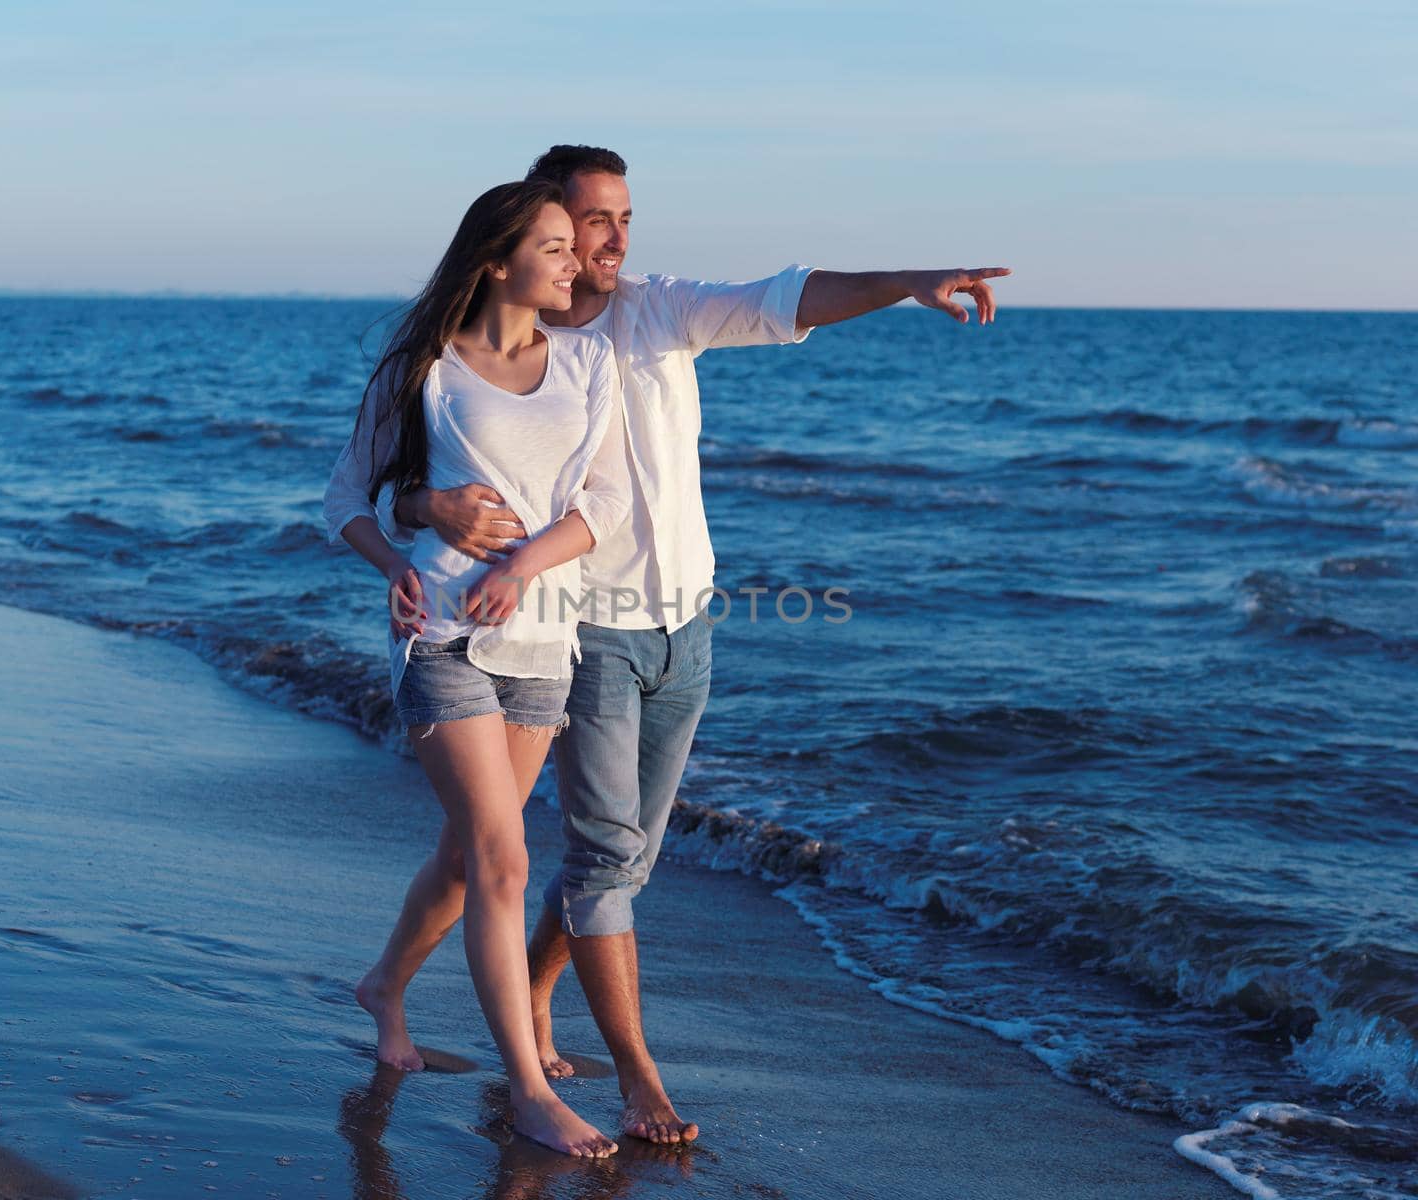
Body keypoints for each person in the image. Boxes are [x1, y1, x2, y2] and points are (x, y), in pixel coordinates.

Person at [376, 146, 1010, 1145]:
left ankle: (496, 995)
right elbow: (406, 462)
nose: (617, 236)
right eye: (593, 219)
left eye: (626, 215)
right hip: (571, 629)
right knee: (576, 853)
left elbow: (783, 297)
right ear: (545, 229)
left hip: (687, 625)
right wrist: (422, 508)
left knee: (610, 860)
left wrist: (903, 283)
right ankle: (634, 1079)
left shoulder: (656, 311)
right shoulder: (504, 341)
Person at [321, 177, 632, 1158]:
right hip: (442, 636)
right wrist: (405, 542)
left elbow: (608, 506)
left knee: (466, 861)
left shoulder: (588, 364)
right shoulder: (422, 368)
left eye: (571, 247)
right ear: (494, 261)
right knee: (503, 858)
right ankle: (532, 1090)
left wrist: (525, 563)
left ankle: (384, 987)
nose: (574, 261)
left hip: (543, 642)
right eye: (552, 245)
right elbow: (344, 497)